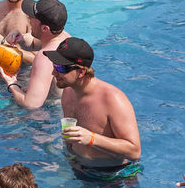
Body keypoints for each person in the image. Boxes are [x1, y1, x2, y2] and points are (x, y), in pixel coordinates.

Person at [48, 37, 142, 178]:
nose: (53, 73)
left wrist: (91, 138)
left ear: (81, 72)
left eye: (61, 68)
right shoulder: (68, 92)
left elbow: (135, 152)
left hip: (114, 176)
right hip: (78, 167)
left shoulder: (113, 100)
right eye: (54, 65)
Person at [0, 0, 71, 110]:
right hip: (64, 103)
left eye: (33, 17)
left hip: (50, 113)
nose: (28, 18)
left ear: (45, 28)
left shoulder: (45, 58)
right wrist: (21, 38)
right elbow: (35, 40)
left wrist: (12, 83)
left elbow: (31, 105)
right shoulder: (64, 37)